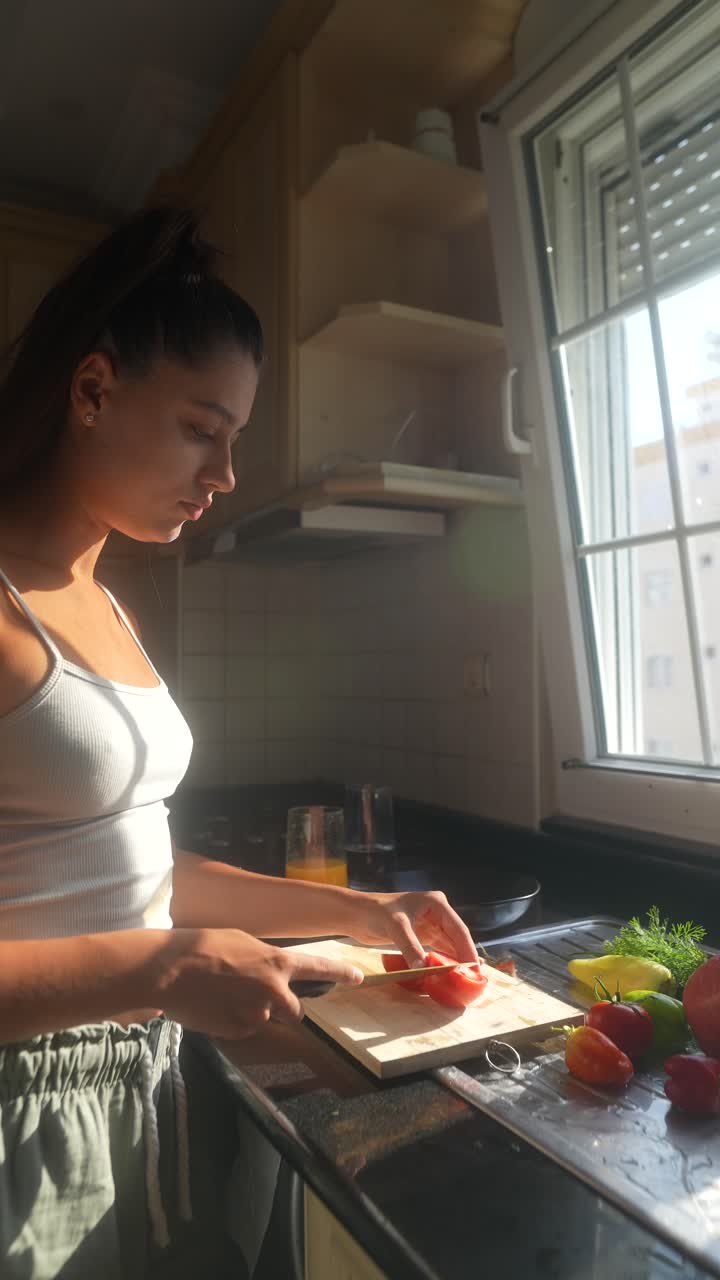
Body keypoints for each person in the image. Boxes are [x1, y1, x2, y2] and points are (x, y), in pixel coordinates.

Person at [0, 207, 478, 1278]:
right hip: (22, 1123)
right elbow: (142, 934)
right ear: (91, 391)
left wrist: (365, 910)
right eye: (200, 429)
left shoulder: (107, 602)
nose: (223, 473)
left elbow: (133, 872)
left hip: (139, 1088)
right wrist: (165, 965)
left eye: (237, 438)